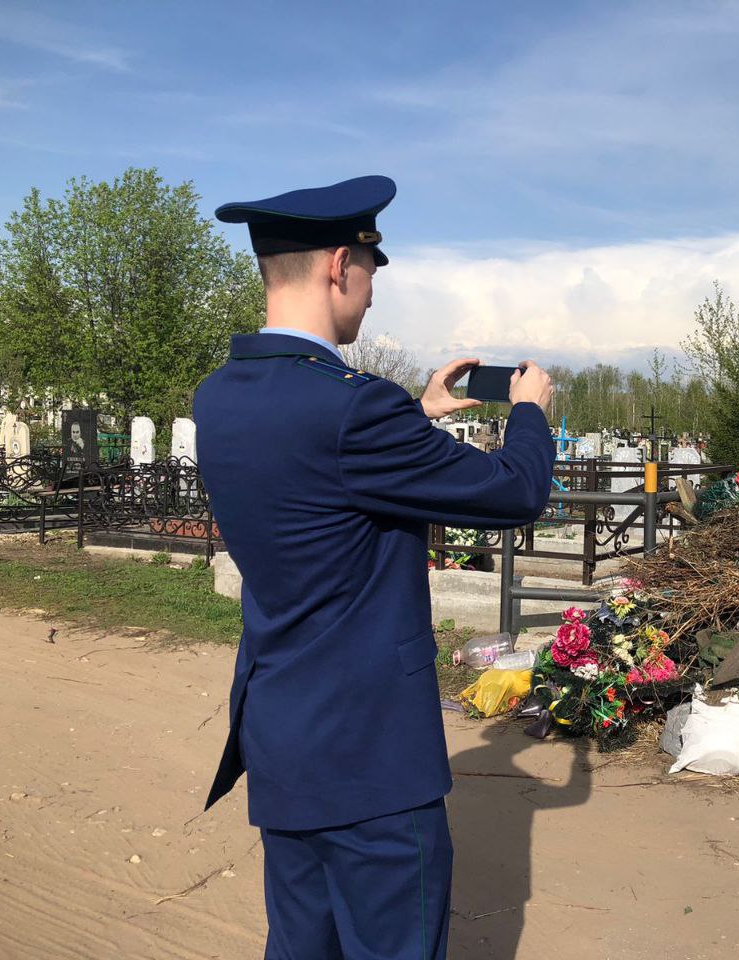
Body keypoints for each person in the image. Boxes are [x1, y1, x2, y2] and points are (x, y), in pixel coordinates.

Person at [194, 175, 555, 960]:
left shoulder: (220, 396)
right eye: (369, 266)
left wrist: (414, 415)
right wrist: (530, 410)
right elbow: (516, 491)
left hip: (283, 741)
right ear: (336, 265)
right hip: (371, 761)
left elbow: (315, 474)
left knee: (299, 947)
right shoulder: (356, 407)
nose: (370, 291)